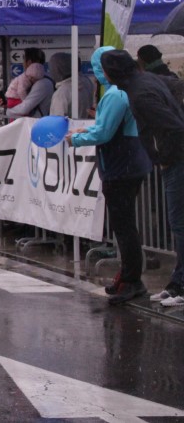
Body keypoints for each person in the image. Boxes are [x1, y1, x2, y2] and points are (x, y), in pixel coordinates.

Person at [67, 47, 152, 305]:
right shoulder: (125, 90)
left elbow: (104, 133)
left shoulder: (115, 94)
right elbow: (108, 127)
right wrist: (87, 130)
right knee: (124, 224)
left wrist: (76, 139)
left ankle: (131, 280)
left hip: (120, 165)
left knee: (123, 225)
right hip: (130, 161)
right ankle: (127, 276)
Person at [101, 48, 184, 307]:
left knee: (179, 224)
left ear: (111, 73)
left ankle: (181, 286)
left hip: (176, 160)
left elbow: (173, 126)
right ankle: (177, 283)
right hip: (173, 160)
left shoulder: (140, 94)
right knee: (178, 224)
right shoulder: (145, 81)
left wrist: (164, 155)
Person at [6, 48, 54, 118]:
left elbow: (25, 108)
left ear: (29, 62)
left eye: (23, 60)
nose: (23, 64)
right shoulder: (43, 80)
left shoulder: (42, 83)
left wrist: (8, 111)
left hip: (36, 122)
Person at [49, 52, 95, 119]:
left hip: (72, 125)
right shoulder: (86, 81)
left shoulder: (62, 93)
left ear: (59, 69)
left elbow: (57, 120)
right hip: (86, 124)